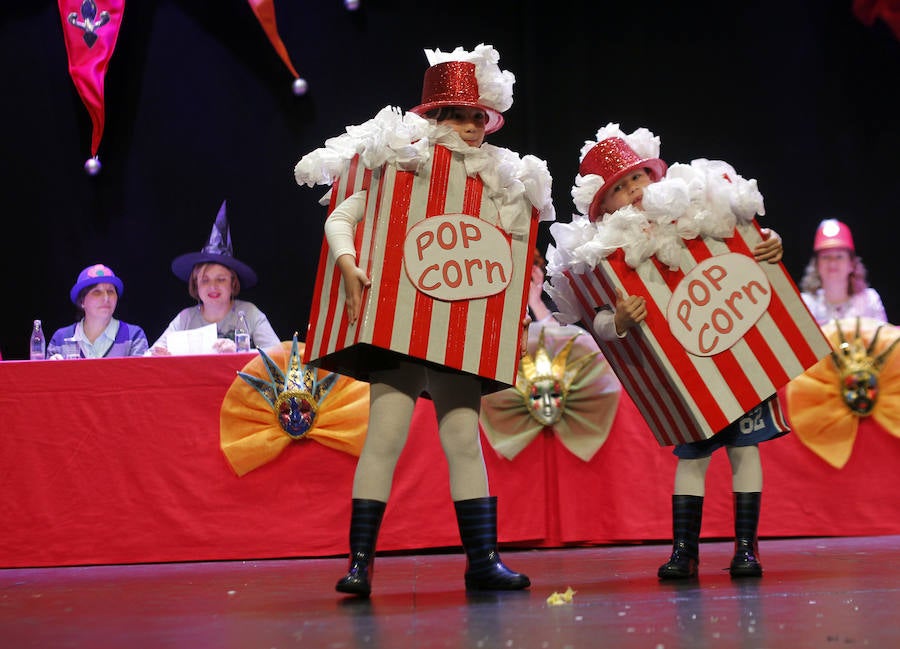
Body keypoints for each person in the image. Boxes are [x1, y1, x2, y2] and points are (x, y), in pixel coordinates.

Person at [294, 44, 554, 597]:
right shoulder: (399, 167)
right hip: (399, 322)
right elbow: (343, 215)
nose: (468, 126)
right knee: (385, 436)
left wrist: (512, 320)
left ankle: (483, 561)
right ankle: (360, 562)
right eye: (456, 115)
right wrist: (347, 263)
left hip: (460, 329)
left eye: (476, 116)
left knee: (463, 437)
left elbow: (508, 261)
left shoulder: (499, 184)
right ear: (433, 119)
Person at [549, 124, 787, 580]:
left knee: (746, 451)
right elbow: (595, 320)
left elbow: (742, 240)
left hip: (737, 355)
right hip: (686, 373)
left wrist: (769, 243)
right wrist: (617, 321)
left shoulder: (700, 215)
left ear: (654, 177)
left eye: (636, 178)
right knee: (693, 456)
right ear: (605, 207)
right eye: (619, 189)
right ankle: (685, 550)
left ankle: (746, 548)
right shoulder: (609, 256)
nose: (633, 192)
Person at [148, 200, 279, 355]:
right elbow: (150, 355)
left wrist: (240, 352)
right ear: (195, 285)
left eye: (221, 279)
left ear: (233, 282)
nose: (213, 286)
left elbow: (279, 356)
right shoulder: (185, 318)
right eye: (205, 280)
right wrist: (160, 355)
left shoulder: (249, 313)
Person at [47, 263, 149, 359]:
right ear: (82, 301)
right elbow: (46, 378)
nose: (106, 298)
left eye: (110, 291)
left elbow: (140, 376)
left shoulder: (133, 336)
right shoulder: (61, 338)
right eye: (97, 292)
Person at [799, 218, 887, 325]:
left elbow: (884, 339)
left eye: (839, 256)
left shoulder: (869, 301)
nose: (832, 263)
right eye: (826, 257)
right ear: (816, 264)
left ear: (851, 264)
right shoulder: (806, 304)